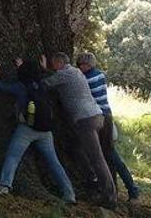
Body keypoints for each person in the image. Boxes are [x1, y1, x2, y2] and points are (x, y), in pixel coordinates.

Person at [0, 58, 76, 204]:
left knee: (13, 156)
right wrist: (37, 67)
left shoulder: (20, 87)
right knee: (54, 162)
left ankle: (4, 184)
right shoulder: (42, 85)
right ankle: (69, 193)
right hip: (46, 131)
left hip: (27, 128)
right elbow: (37, 75)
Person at [41, 52, 117, 209]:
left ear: (59, 63)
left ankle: (109, 196)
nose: (53, 67)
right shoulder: (75, 72)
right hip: (96, 116)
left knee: (96, 158)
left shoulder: (63, 74)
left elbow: (46, 84)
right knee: (78, 149)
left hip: (85, 120)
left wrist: (41, 70)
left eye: (54, 64)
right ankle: (92, 181)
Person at [75, 52, 140, 201]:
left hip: (98, 118)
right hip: (107, 116)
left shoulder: (87, 78)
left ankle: (129, 189)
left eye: (80, 65)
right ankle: (124, 189)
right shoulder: (100, 75)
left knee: (105, 155)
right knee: (109, 155)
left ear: (87, 65)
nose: (79, 68)